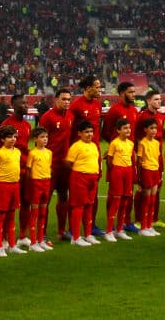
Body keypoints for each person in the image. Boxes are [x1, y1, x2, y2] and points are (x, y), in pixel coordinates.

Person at [69, 76, 104, 236]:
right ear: (88, 88)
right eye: (97, 87)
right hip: (80, 155)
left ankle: (91, 226)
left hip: (94, 153)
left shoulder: (97, 104)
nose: (100, 90)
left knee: (93, 193)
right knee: (77, 196)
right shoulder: (76, 105)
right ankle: (73, 229)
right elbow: (70, 130)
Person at [0, 94, 33, 247]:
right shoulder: (6, 125)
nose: (25, 105)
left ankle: (22, 236)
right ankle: (5, 238)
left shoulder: (27, 125)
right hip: (11, 172)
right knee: (8, 207)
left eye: (26, 103)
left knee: (26, 202)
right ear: (13, 105)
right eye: (22, 103)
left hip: (25, 170)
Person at [38, 88, 73, 242]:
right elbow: (40, 141)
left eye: (68, 100)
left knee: (63, 196)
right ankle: (42, 234)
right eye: (63, 99)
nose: (66, 102)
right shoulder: (47, 117)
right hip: (49, 165)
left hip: (64, 165)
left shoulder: (70, 116)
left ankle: (61, 231)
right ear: (56, 100)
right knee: (45, 199)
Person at [0, 126, 24, 257]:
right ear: (3, 139)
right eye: (10, 137)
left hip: (15, 186)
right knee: (1, 216)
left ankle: (12, 245)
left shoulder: (17, 152)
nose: (13, 139)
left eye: (15, 136)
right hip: (4, 187)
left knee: (12, 216)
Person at [64, 119, 100, 247]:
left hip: (92, 178)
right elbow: (68, 163)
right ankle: (76, 237)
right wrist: (78, 173)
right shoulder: (76, 146)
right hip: (80, 177)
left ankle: (88, 234)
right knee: (78, 207)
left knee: (89, 206)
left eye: (91, 132)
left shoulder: (94, 145)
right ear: (79, 133)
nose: (90, 134)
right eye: (86, 132)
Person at [136, 88, 165, 229]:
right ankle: (138, 219)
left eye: (160, 99)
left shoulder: (160, 116)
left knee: (157, 188)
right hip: (146, 158)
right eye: (156, 99)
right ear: (148, 101)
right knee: (142, 189)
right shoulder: (142, 116)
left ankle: (154, 218)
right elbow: (137, 136)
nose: (159, 101)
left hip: (157, 157)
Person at [104, 118, 135, 242]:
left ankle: (120, 229)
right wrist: (114, 172)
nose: (128, 130)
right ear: (118, 130)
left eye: (129, 128)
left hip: (128, 171)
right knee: (116, 201)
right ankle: (109, 231)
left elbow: (132, 159)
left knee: (126, 200)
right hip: (118, 171)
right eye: (125, 128)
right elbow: (109, 159)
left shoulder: (131, 143)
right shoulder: (114, 143)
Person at [25, 126, 53, 251]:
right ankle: (33, 242)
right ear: (35, 139)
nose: (45, 139)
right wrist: (29, 184)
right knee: (35, 213)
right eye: (42, 137)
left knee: (43, 212)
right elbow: (28, 170)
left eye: (46, 137)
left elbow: (49, 167)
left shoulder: (49, 153)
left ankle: (41, 240)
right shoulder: (32, 153)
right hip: (36, 183)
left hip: (46, 182)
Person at [136, 118, 161, 236]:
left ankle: (150, 226)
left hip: (155, 171)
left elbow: (157, 158)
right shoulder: (142, 143)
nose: (154, 131)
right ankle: (143, 227)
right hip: (146, 171)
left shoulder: (156, 143)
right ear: (145, 129)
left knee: (153, 200)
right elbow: (139, 161)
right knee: (146, 200)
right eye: (151, 128)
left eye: (155, 128)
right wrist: (139, 179)